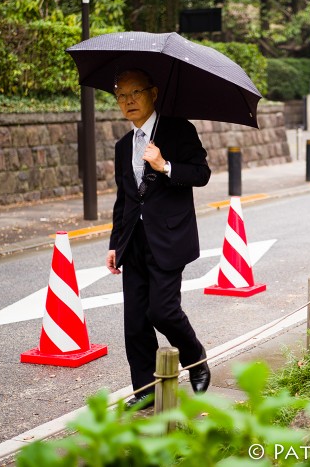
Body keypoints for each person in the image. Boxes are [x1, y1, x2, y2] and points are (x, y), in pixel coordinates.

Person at [105, 68, 211, 407]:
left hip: (168, 238)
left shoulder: (178, 130)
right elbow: (124, 198)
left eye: (136, 93)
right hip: (133, 241)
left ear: (153, 93)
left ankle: (195, 358)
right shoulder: (124, 145)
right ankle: (145, 390)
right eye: (121, 95)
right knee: (135, 321)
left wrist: (164, 165)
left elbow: (201, 174)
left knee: (163, 311)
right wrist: (114, 243)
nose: (128, 101)